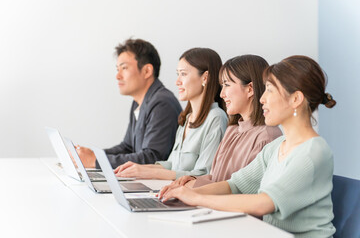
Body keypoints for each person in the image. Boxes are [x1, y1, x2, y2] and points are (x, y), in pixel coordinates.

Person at [159, 55, 336, 237]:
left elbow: (264, 203)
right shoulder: (275, 147)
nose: (262, 99)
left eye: (270, 90)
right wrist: (183, 193)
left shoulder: (313, 151)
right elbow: (234, 185)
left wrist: (196, 198)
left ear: (296, 99)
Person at [167, 55, 282, 189]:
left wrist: (194, 187)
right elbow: (216, 177)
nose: (222, 94)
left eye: (227, 85)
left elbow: (241, 190)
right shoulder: (232, 130)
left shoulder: (267, 136)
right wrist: (192, 180)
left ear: (250, 89)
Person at [114, 48, 228, 180]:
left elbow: (204, 175)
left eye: (183, 74)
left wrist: (151, 173)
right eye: (177, 74)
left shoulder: (216, 118)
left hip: (190, 197)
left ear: (205, 78)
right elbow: (172, 165)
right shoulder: (187, 119)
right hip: (171, 190)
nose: (177, 82)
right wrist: (139, 168)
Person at [76, 38, 182, 169]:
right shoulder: (138, 102)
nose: (118, 76)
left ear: (147, 71)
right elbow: (128, 147)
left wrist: (97, 161)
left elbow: (153, 158)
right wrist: (93, 155)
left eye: (124, 68)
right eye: (117, 69)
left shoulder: (162, 103)